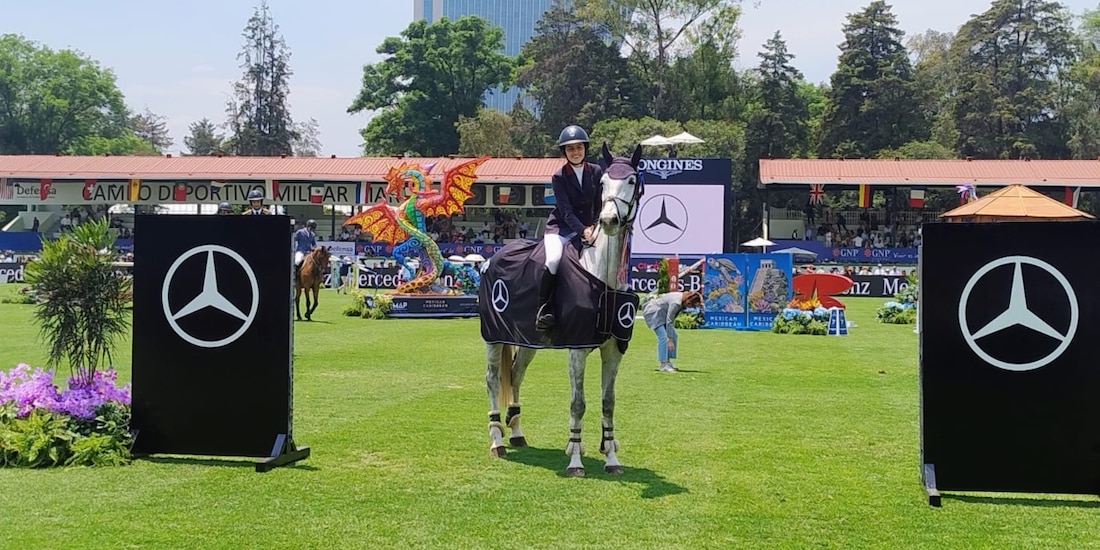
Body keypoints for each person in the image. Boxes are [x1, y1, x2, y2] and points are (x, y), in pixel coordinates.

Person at [536, 124, 604, 333]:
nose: (575, 152)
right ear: (565, 152)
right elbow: (565, 211)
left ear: (585, 148)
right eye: (570, 149)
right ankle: (543, 307)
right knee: (553, 260)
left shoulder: (596, 171)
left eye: (579, 147)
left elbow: (598, 204)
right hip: (561, 228)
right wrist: (583, 229)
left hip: (591, 226)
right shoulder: (559, 177)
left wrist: (593, 224)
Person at [642, 291, 703, 372]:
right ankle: (663, 365)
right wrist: (669, 339)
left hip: (661, 313)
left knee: (674, 335)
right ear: (688, 300)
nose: (689, 306)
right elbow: (669, 321)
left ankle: (668, 362)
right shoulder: (676, 303)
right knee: (663, 337)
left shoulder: (682, 300)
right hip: (653, 312)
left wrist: (671, 336)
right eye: (690, 304)